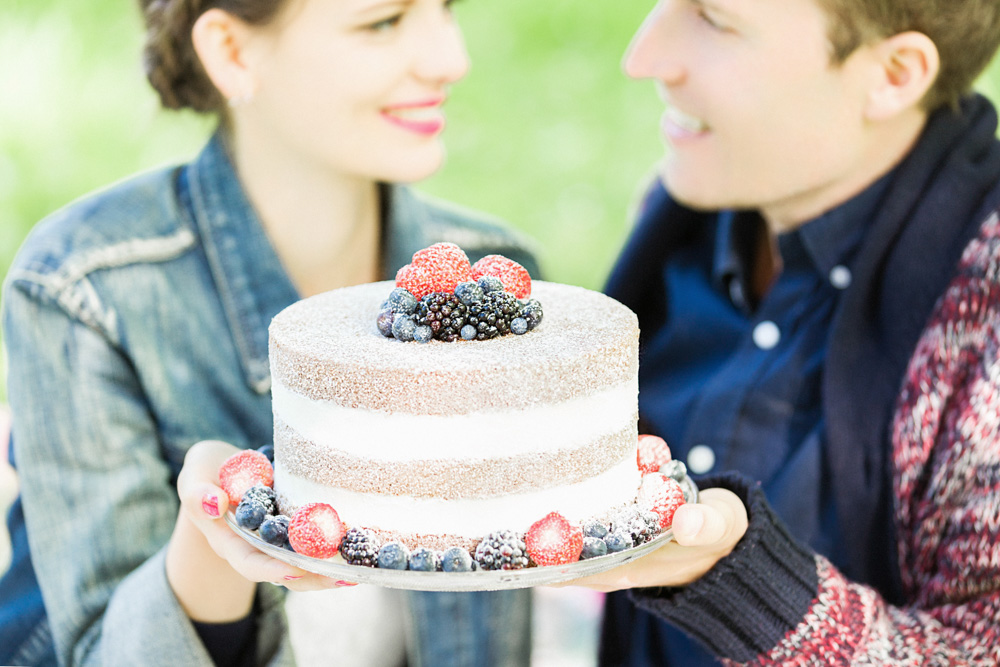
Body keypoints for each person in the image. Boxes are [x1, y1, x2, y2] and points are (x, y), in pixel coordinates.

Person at [0, 0, 537, 665]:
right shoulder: (84, 291)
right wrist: (212, 538)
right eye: (383, 22)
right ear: (231, 50)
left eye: (446, 8)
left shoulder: (494, 285)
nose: (451, 59)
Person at [574, 0, 1000, 664]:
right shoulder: (681, 213)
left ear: (893, 74)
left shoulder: (984, 306)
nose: (644, 56)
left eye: (714, 20)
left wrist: (741, 583)